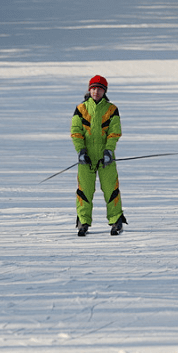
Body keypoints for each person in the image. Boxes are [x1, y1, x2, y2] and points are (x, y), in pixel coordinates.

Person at [70, 75, 127, 236]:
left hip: (106, 158)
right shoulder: (81, 108)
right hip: (85, 158)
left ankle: (116, 220)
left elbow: (114, 132)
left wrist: (109, 151)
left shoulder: (111, 109)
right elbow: (76, 132)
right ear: (89, 90)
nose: (96, 91)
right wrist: (81, 151)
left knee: (111, 189)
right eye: (93, 88)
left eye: (100, 89)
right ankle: (83, 221)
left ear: (104, 91)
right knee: (84, 190)